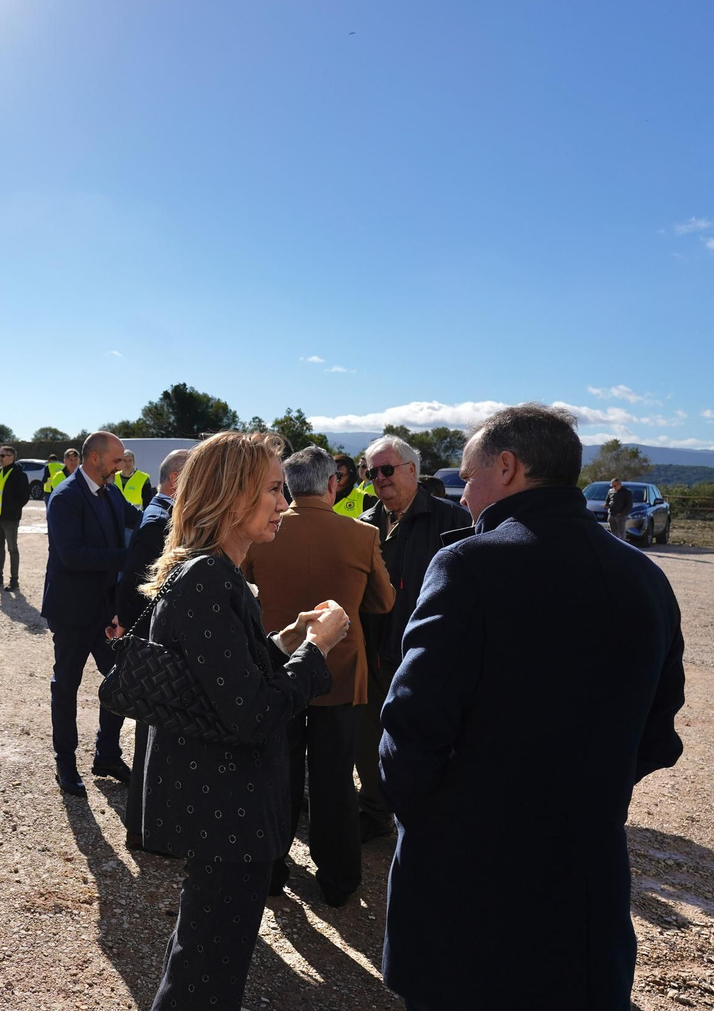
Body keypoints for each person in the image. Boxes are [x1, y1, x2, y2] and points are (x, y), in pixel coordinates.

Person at [380, 404, 686, 1011]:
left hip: (470, 890)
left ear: (508, 466)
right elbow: (660, 725)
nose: (463, 496)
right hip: (587, 887)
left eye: (467, 478)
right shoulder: (644, 576)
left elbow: (411, 725)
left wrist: (433, 815)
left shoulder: (469, 564)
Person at [138, 431, 349, 1010]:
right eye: (274, 490)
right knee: (206, 976)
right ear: (233, 498)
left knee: (204, 963)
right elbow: (254, 714)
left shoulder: (215, 574)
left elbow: (226, 681)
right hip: (226, 812)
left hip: (226, 808)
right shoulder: (208, 578)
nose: (284, 503)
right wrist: (318, 650)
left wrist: (283, 640)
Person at [242, 446, 394, 907]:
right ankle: (339, 879)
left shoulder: (264, 531)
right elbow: (383, 602)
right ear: (334, 484)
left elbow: (246, 584)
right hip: (340, 673)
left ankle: (269, 869)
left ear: (288, 485)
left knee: (276, 774)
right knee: (333, 780)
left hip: (279, 666)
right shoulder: (362, 534)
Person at [353, 434, 470, 841]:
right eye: (372, 472)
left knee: (424, 740)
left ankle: (423, 816)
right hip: (373, 653)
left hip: (427, 656)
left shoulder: (453, 520)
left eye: (387, 470)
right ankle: (375, 809)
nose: (379, 479)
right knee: (369, 738)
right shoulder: (364, 524)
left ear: (412, 471)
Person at [40, 431, 142, 797]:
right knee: (66, 686)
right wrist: (128, 559)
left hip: (105, 608)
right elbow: (73, 555)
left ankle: (107, 754)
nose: (121, 466)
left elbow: (140, 521)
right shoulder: (65, 497)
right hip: (71, 610)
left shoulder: (112, 491)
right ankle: (65, 762)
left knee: (120, 680)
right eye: (116, 460)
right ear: (95, 458)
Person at [115, 447, 189, 848]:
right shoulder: (158, 521)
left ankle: (148, 825)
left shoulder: (165, 516)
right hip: (154, 644)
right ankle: (143, 829)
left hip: (155, 643)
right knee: (151, 737)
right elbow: (133, 584)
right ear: (177, 480)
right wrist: (134, 634)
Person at [0, 446, 31, 590]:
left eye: (3, 455)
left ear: (12, 457)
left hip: (10, 518)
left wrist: (14, 510)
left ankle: (14, 581)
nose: (0, 458)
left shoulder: (19, 475)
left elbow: (24, 496)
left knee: (12, 549)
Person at [606, 477, 633, 542]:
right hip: (611, 514)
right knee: (613, 531)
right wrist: (607, 505)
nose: (613, 487)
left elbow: (629, 505)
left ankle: (622, 544)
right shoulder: (610, 491)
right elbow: (608, 500)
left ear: (619, 484)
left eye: (615, 486)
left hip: (620, 515)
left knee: (621, 531)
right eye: (612, 486)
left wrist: (622, 513)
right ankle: (614, 543)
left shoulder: (626, 492)